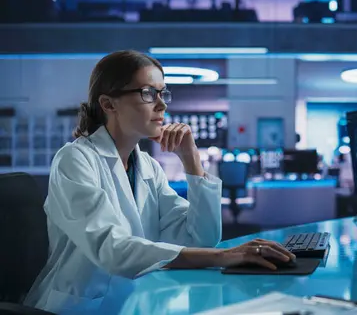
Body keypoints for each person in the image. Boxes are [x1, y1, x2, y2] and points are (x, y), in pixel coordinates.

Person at [24, 50, 295, 314]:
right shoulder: (74, 159)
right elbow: (113, 249)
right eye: (147, 93)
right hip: (81, 307)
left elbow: (202, 238)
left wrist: (192, 160)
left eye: (163, 93)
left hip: (138, 302)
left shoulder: (148, 168)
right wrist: (225, 257)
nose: (162, 104)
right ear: (108, 104)